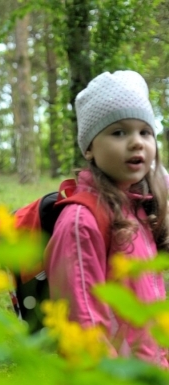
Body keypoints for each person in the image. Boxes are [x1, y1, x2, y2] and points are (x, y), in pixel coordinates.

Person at [46, 70, 169, 367]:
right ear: (89, 148)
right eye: (118, 132)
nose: (137, 142)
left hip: (148, 376)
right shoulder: (80, 222)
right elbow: (83, 323)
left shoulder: (139, 207)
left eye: (145, 132)